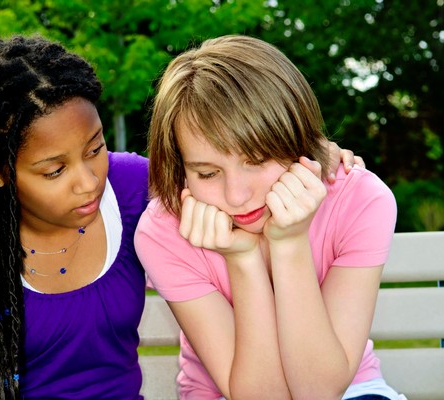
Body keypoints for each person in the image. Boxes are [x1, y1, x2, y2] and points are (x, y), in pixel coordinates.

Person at [0, 34, 362, 399]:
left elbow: (217, 161)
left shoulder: (133, 188)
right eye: (55, 170)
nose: (88, 181)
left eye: (95, 147)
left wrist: (307, 150)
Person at [135, 35, 402, 400]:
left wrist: (290, 243)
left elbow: (320, 391)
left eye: (257, 160)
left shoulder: (359, 200)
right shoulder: (165, 231)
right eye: (208, 173)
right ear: (181, 169)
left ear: (296, 139)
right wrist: (242, 259)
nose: (237, 195)